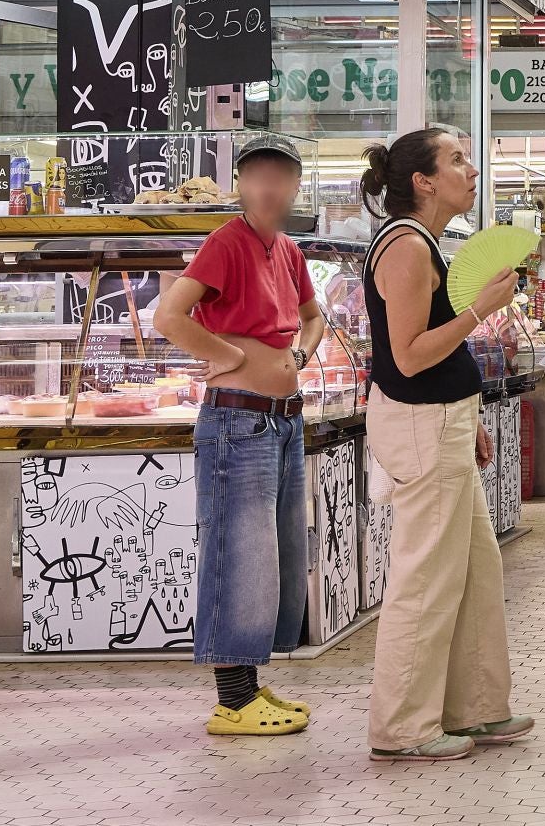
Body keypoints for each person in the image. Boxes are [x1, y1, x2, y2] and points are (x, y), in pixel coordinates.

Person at [359, 126, 532, 763]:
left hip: (444, 420)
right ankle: (403, 726)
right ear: (423, 182)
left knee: (476, 570)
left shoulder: (423, 241)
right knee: (426, 578)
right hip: (421, 425)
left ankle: (474, 707)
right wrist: (480, 310)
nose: (471, 170)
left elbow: (433, 355)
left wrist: (471, 413)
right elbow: (407, 357)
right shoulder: (406, 247)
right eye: (457, 160)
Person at [155, 135, 326, 737]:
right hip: (237, 421)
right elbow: (168, 315)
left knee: (271, 556)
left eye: (281, 177)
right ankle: (232, 700)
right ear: (241, 185)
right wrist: (227, 355)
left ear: (296, 187)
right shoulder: (226, 242)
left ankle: (248, 687)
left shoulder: (288, 250)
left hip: (281, 419)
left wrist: (298, 358)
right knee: (239, 552)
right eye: (258, 177)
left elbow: (314, 317)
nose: (270, 188)